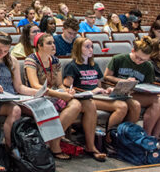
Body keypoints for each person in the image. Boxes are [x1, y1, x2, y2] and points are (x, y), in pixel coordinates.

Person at [25, 33, 105, 161]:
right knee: (75, 105)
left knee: (89, 104)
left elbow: (59, 84)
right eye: (49, 43)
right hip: (37, 97)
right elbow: (36, 86)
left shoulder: (55, 60)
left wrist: (67, 91)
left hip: (54, 95)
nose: (53, 46)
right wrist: (61, 94)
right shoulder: (31, 60)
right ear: (39, 46)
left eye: (53, 43)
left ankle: (90, 146)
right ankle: (55, 144)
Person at [64, 36, 134, 136]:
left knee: (127, 103)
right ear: (78, 48)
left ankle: (118, 134)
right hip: (85, 98)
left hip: (97, 95)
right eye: (87, 47)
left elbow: (99, 85)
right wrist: (93, 92)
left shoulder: (94, 64)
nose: (91, 49)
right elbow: (68, 88)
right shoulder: (72, 66)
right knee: (121, 107)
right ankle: (109, 136)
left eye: (91, 47)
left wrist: (106, 90)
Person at [104, 37, 160, 137]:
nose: (139, 61)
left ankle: (149, 136)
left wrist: (157, 91)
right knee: (137, 104)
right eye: (137, 57)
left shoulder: (148, 66)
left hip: (136, 93)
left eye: (143, 60)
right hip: (120, 91)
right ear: (133, 51)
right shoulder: (119, 59)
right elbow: (106, 76)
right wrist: (122, 81)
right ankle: (126, 135)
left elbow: (148, 85)